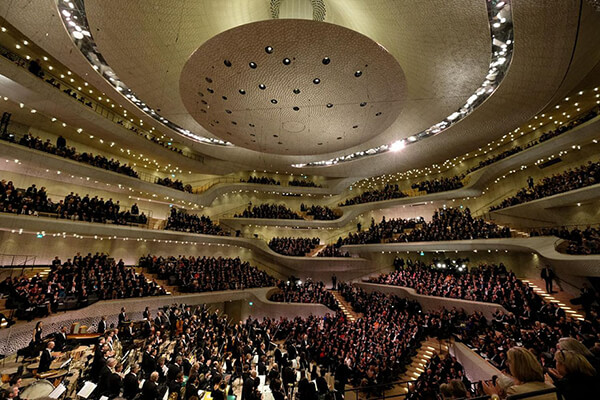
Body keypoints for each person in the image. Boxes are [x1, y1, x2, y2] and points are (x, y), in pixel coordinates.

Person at [482, 347, 557, 399]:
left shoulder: (515, 392)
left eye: (510, 362)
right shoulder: (550, 385)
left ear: (516, 367)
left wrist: (494, 395)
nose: (508, 365)